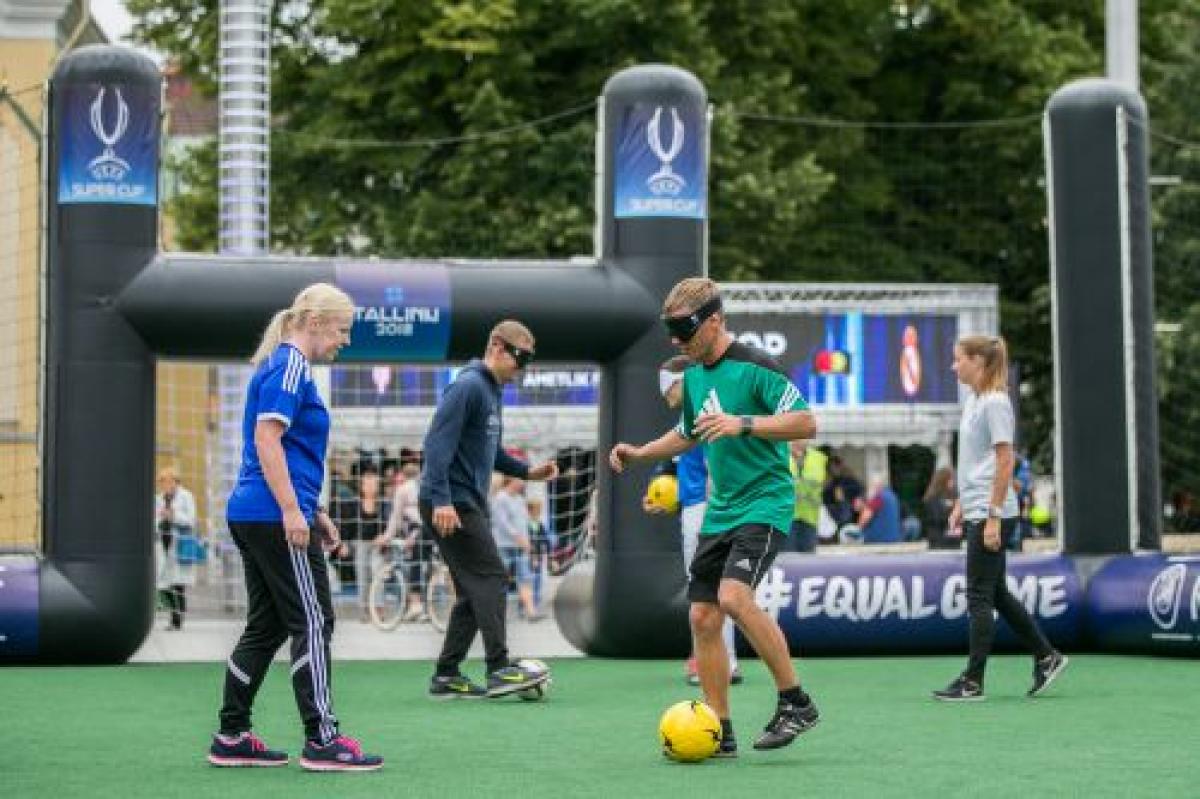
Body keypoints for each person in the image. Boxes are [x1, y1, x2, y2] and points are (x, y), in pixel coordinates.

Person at [610, 277, 821, 756]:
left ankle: (796, 702)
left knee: (732, 598)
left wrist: (743, 423)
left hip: (764, 503)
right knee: (703, 616)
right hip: (720, 510)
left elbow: (806, 421)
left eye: (685, 331)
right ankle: (719, 729)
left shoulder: (755, 367)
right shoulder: (696, 377)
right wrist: (641, 453)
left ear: (715, 321)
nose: (678, 342)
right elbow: (687, 434)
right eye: (672, 332)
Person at [209, 283, 382, 771]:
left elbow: (287, 452)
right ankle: (322, 740)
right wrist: (291, 510)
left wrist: (314, 509)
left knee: (265, 627)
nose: (344, 340)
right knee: (312, 621)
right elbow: (268, 440)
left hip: (254, 512)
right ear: (314, 321)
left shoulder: (278, 366)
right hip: (271, 515)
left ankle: (232, 734)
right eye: (342, 330)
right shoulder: (291, 365)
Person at [419, 320, 558, 699]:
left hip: (463, 500)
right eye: (519, 360)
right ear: (497, 346)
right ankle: (499, 669)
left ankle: (446, 675)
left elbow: (490, 452)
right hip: (452, 501)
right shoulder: (467, 387)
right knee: (493, 578)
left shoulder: (491, 390)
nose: (522, 370)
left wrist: (529, 472)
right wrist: (442, 500)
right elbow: (435, 447)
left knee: (471, 589)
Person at [933, 334, 1068, 702]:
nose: (953, 365)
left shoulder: (995, 402)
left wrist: (992, 516)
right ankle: (1046, 655)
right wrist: (963, 500)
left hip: (991, 511)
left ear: (978, 361)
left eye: (958, 359)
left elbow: (1005, 460)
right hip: (979, 506)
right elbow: (978, 462)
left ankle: (973, 681)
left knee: (979, 595)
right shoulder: (976, 400)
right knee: (996, 593)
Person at [646, 355, 741, 686]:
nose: (666, 399)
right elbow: (683, 468)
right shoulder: (696, 416)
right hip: (702, 508)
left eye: (668, 390)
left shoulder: (701, 414)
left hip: (704, 511)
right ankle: (724, 660)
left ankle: (712, 662)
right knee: (718, 590)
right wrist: (666, 500)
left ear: (678, 382)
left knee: (705, 592)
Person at [378, 461, 428, 621]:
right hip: (434, 528)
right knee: (429, 566)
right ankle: (424, 606)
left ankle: (415, 604)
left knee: (415, 563)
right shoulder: (424, 485)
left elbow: (396, 518)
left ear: (402, 476)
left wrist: (386, 537)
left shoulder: (402, 490)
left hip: (418, 530)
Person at [490, 476, 543, 621]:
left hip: (521, 546)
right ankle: (494, 611)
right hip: (504, 545)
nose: (523, 483)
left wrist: (528, 543)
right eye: (520, 480)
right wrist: (519, 538)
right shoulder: (500, 498)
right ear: (511, 480)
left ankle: (531, 611)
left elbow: (523, 524)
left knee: (525, 577)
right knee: (500, 579)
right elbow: (503, 523)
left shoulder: (520, 499)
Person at [155, 466, 199, 631]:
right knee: (163, 583)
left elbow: (191, 520)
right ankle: (172, 614)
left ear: (175, 482)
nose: (164, 485)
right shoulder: (159, 498)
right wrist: (159, 519)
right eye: (161, 482)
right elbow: (154, 519)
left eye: (166, 481)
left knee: (178, 584)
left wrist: (173, 516)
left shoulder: (186, 496)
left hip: (179, 543)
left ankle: (177, 620)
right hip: (162, 542)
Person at [788, 440, 827, 553]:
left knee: (808, 560)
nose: (797, 441)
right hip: (786, 518)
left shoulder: (819, 458)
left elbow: (820, 484)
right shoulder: (780, 456)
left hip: (810, 518)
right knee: (788, 559)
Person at [856, 474, 903, 544]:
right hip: (894, 538)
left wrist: (856, 529)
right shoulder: (892, 496)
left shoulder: (878, 498)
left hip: (879, 538)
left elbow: (864, 519)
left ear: (874, 486)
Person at [922, 466, 960, 550]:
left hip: (954, 539)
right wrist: (952, 514)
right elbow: (936, 518)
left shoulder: (953, 496)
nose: (953, 483)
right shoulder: (932, 498)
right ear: (943, 480)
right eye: (951, 480)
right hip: (938, 540)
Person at [526, 496, 552, 609]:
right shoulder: (526, 525)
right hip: (530, 555)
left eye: (539, 510)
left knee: (538, 578)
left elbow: (545, 540)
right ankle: (526, 604)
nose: (539, 513)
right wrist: (533, 556)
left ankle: (535, 602)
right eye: (537, 510)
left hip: (539, 555)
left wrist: (549, 554)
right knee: (529, 579)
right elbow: (529, 541)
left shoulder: (540, 524)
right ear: (530, 511)